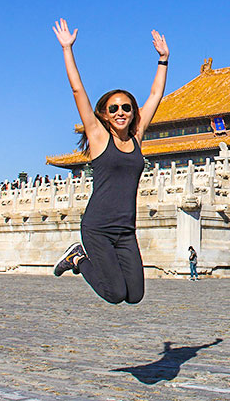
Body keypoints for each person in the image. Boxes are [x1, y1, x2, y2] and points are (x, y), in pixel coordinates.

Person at [51, 18, 170, 306]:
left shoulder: (137, 137)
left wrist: (163, 60)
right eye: (114, 108)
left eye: (126, 108)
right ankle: (77, 258)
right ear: (104, 113)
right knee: (115, 294)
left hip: (126, 229)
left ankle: (81, 259)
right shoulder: (98, 136)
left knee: (135, 295)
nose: (121, 112)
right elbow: (78, 91)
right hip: (98, 227)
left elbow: (155, 96)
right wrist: (67, 49)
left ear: (132, 113)